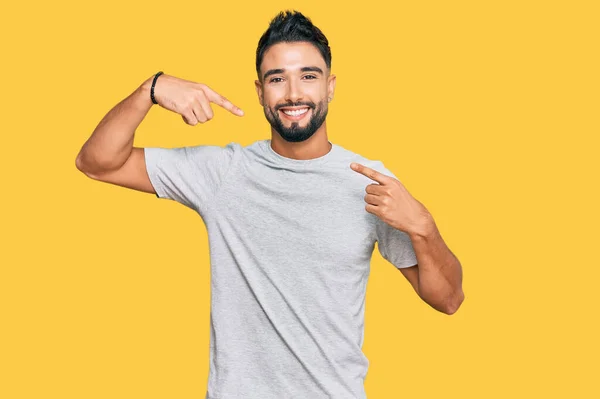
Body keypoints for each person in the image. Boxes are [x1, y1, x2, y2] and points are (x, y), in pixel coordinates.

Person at [76, 9, 464, 399]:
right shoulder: (224, 173)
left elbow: (447, 300)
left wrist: (424, 227)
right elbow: (96, 163)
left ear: (330, 86)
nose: (293, 93)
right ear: (260, 91)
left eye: (308, 77)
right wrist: (151, 89)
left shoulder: (369, 181)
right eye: (277, 79)